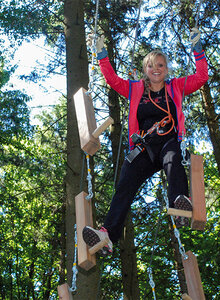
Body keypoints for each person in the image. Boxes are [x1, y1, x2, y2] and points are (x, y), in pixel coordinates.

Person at [83, 28, 209, 256]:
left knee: (173, 159)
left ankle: (180, 205)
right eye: (151, 65)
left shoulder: (176, 87)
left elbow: (201, 78)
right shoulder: (135, 89)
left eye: (160, 65)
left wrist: (198, 51)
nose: (156, 69)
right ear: (145, 70)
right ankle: (107, 235)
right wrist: (102, 55)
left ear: (166, 69)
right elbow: (112, 80)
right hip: (144, 147)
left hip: (169, 141)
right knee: (125, 184)